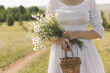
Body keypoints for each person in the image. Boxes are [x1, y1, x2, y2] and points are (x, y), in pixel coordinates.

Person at [46, 0, 106, 73]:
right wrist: (61, 41)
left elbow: (99, 31)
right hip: (61, 52)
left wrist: (77, 34)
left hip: (85, 52)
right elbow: (47, 34)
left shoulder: (89, 1)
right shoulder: (53, 2)